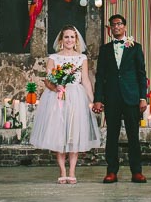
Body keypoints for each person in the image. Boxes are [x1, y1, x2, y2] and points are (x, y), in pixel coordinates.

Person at [28, 25, 101, 183]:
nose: (69, 40)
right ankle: (62, 171)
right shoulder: (54, 58)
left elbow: (85, 80)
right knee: (59, 134)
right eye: (66, 37)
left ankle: (72, 171)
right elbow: (48, 80)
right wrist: (56, 87)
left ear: (76, 40)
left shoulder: (81, 58)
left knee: (74, 134)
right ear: (61, 40)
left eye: (72, 37)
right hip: (58, 98)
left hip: (76, 97)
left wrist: (92, 99)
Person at [92, 13, 148, 184]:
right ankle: (111, 171)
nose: (116, 27)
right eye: (113, 25)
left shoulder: (135, 47)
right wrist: (98, 98)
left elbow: (141, 74)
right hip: (112, 97)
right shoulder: (105, 49)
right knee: (112, 136)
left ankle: (136, 172)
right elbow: (100, 75)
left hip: (131, 97)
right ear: (110, 29)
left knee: (133, 136)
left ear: (124, 26)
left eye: (119, 24)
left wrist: (143, 97)